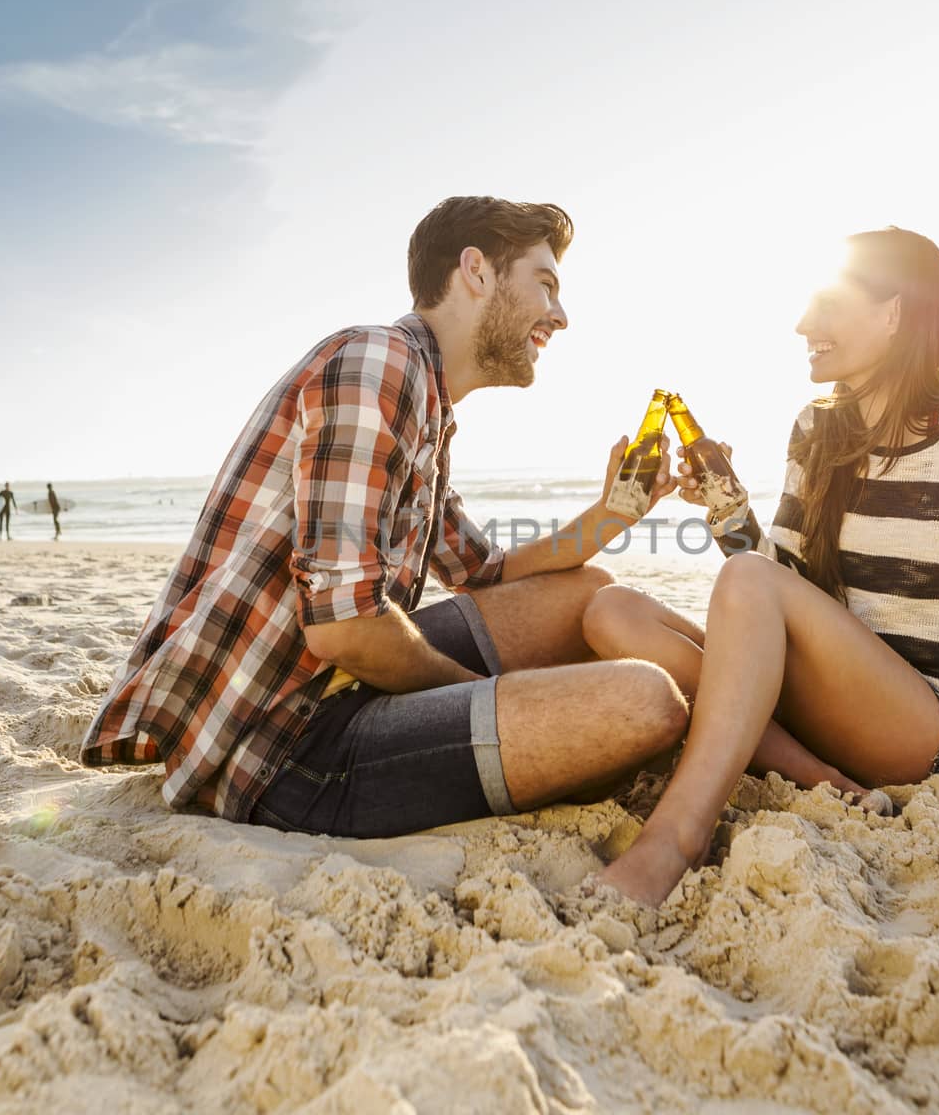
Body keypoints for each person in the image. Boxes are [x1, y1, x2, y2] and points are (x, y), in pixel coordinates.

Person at [582, 226, 939, 906]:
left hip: (923, 724)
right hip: (821, 703)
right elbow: (787, 583)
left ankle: (672, 842)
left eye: (828, 306)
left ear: (895, 314)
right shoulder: (817, 430)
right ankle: (823, 779)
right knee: (612, 610)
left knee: (741, 584)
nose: (804, 324)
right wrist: (727, 510)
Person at [80, 196, 688, 836]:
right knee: (644, 703)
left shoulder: (422, 400)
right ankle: (747, 703)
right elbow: (344, 629)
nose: (560, 316)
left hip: (335, 689)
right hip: (283, 751)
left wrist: (613, 513)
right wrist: (467, 693)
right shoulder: (379, 364)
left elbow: (485, 571)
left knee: (587, 591)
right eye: (546, 285)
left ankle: (744, 692)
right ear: (476, 271)